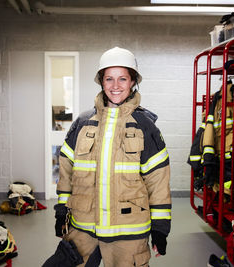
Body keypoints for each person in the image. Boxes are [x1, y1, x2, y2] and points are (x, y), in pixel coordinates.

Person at [54, 47, 171, 267]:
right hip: (83, 228)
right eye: (109, 79)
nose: (115, 86)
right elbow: (66, 169)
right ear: (101, 81)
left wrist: (160, 228)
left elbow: (158, 180)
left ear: (133, 82)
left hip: (128, 235)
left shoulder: (145, 126)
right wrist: (61, 211)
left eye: (122, 79)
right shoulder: (83, 122)